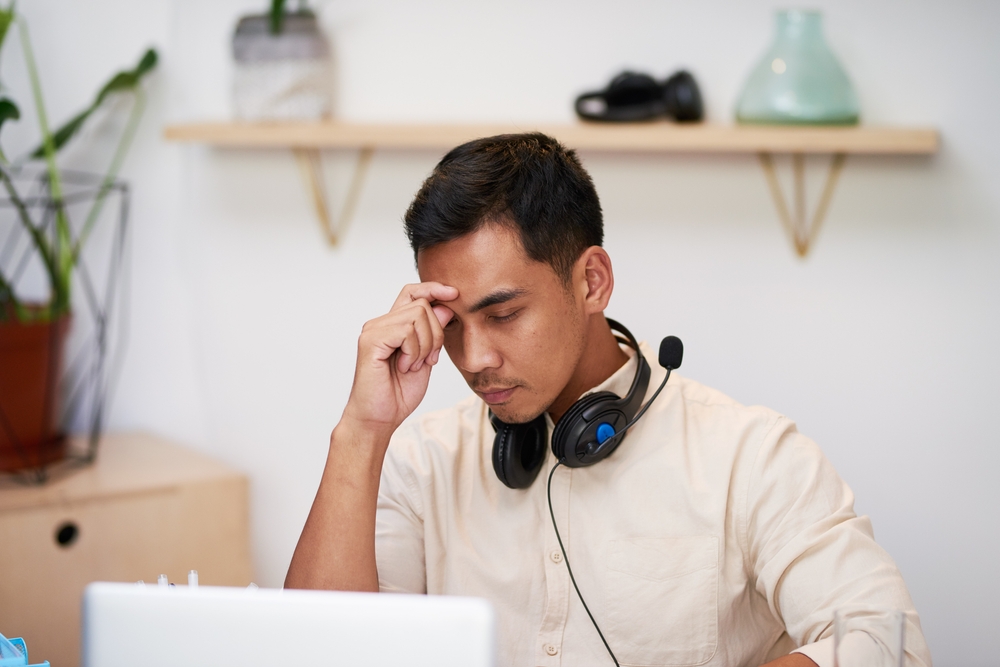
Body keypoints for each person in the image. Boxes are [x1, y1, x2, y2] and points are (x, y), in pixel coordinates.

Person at [285, 133, 931, 667]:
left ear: (591, 281)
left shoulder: (748, 455)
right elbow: (313, 654)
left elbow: (886, 641)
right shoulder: (423, 463)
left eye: (503, 313)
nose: (474, 358)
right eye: (451, 324)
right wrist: (361, 430)